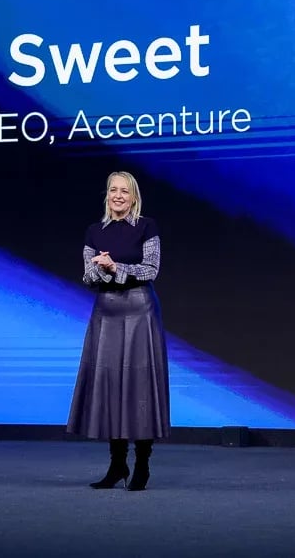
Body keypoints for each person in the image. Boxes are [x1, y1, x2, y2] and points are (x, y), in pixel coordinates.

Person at [66, 170, 171, 492]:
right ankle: (117, 464)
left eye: (124, 191)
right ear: (107, 195)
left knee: (139, 388)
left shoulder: (147, 226)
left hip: (140, 311)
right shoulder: (94, 231)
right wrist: (100, 268)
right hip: (106, 313)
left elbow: (151, 269)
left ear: (134, 196)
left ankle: (142, 464)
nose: (118, 196)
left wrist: (116, 267)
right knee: (110, 386)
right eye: (113, 190)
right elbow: (87, 277)